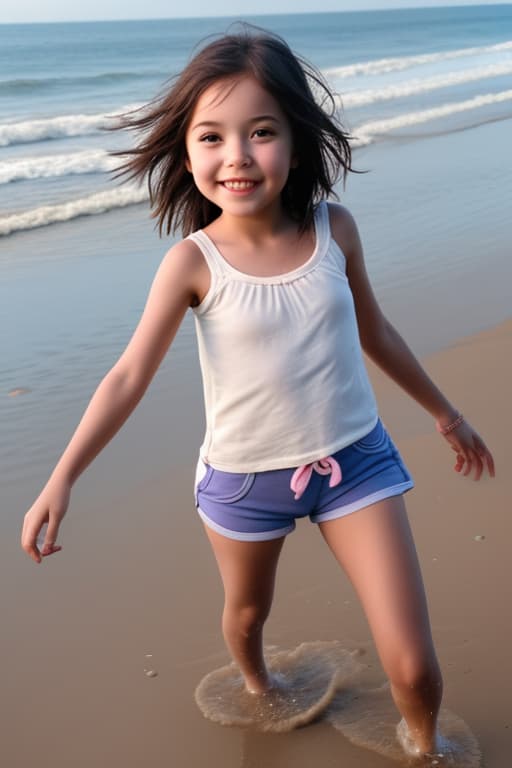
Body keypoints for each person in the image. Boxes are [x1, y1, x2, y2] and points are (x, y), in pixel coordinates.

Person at [21, 27, 494, 759]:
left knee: (414, 663)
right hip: (244, 483)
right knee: (246, 617)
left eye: (261, 132)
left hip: (355, 465)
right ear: (187, 152)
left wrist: (447, 414)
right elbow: (126, 376)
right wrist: (62, 478)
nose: (236, 155)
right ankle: (256, 682)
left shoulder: (336, 230)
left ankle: (425, 748)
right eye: (211, 137)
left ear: (296, 144)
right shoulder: (192, 263)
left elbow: (379, 333)